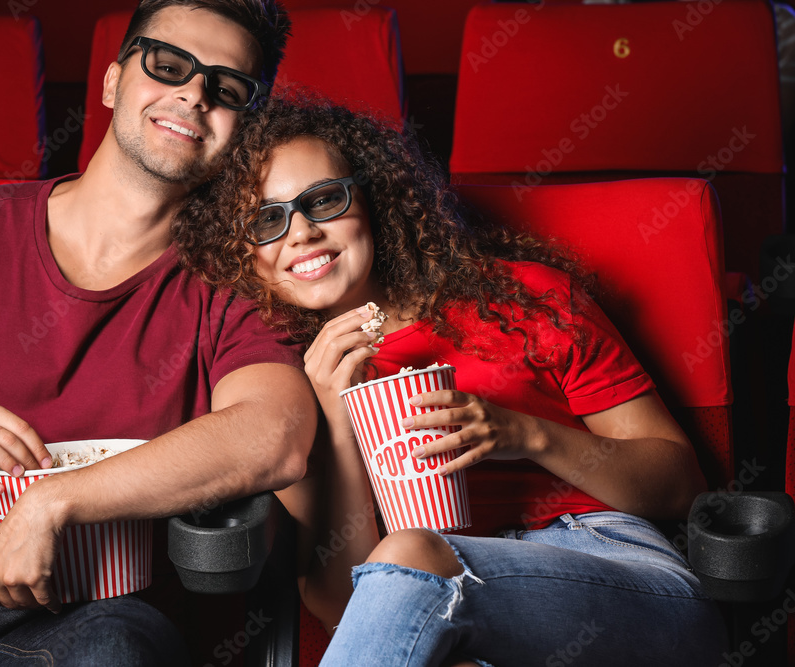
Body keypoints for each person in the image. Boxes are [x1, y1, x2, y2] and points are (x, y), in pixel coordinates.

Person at [0, 2, 317, 665]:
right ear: (112, 81)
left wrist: (55, 501)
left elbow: (275, 435)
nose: (193, 94)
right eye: (168, 65)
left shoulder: (239, 278)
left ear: (244, 128)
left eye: (227, 87)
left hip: (96, 614)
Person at [175, 96, 728, 666]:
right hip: (448, 612)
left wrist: (525, 434)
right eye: (267, 221)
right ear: (242, 254)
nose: (302, 233)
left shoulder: (522, 298)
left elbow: (680, 486)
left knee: (412, 554)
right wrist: (338, 423)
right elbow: (344, 609)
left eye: (323, 200)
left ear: (372, 201)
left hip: (618, 568)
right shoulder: (285, 382)